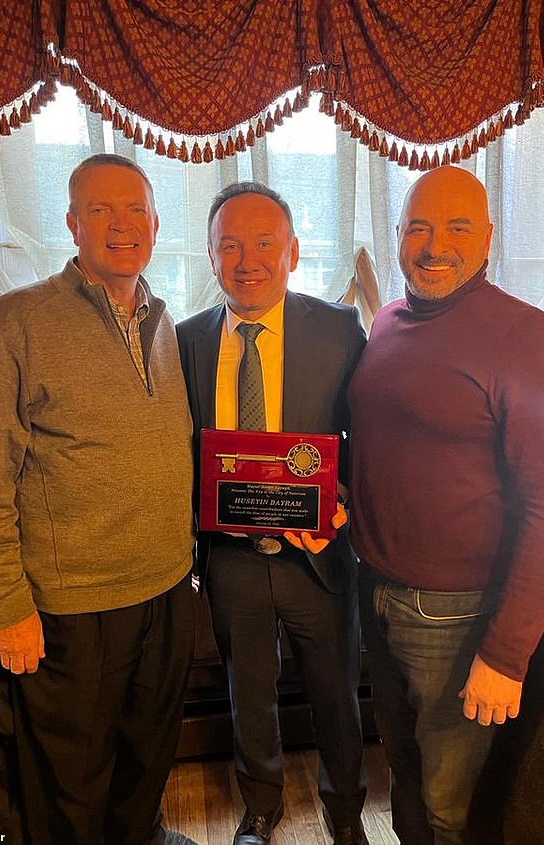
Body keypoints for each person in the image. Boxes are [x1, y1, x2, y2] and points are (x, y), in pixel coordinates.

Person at [0, 153, 196, 844]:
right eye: (100, 210)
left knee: (145, 761)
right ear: (72, 223)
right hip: (69, 608)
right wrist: (4, 605)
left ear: (155, 221)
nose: (122, 225)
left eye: (135, 210)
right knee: (70, 783)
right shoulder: (15, 325)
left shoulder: (163, 319)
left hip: (169, 591)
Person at [347, 165, 544, 845]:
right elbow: (388, 442)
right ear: (398, 235)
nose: (433, 244)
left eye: (455, 227)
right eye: (418, 226)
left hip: (459, 614)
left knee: (455, 804)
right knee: (406, 770)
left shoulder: (529, 339)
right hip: (379, 590)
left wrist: (506, 655)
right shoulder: (390, 318)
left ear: (487, 236)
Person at [176, 182, 368, 845]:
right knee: (247, 696)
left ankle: (345, 816)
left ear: (292, 250)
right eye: (229, 244)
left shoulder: (340, 329)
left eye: (263, 243)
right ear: (210, 254)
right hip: (230, 561)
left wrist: (345, 499)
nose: (246, 259)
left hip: (316, 560)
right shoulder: (187, 341)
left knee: (336, 697)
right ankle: (260, 810)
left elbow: (365, 435)